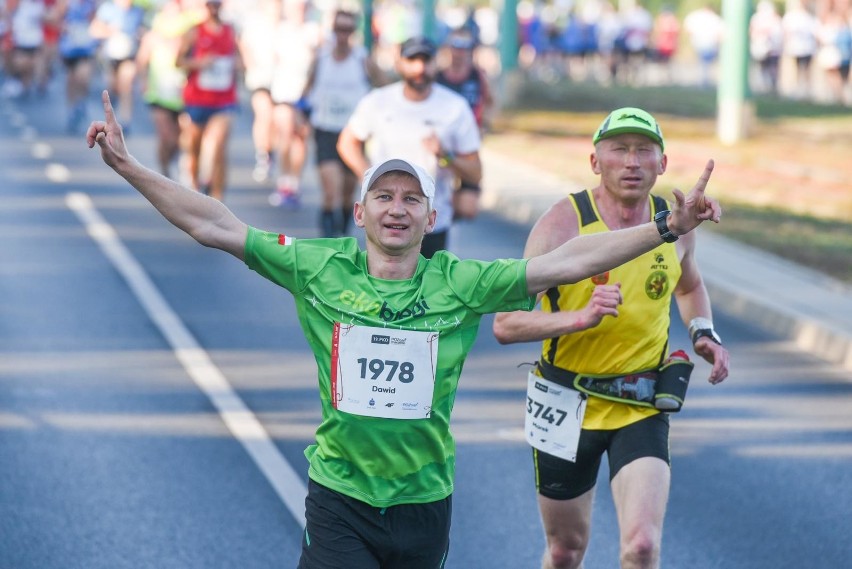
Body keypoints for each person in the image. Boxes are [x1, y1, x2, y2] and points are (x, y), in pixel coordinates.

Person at [87, 91, 721, 569]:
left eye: (410, 198)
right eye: (383, 197)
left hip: (424, 499)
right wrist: (129, 167)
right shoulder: (318, 266)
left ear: (430, 215)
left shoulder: (459, 281)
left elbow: (570, 261)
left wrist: (667, 228)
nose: (396, 209)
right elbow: (215, 225)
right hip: (339, 493)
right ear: (360, 212)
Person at [492, 108, 730, 569]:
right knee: (566, 551)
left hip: (640, 399)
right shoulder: (563, 224)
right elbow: (506, 324)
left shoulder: (674, 221)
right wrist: (576, 319)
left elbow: (689, 285)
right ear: (594, 160)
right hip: (565, 400)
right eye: (618, 149)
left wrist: (704, 332)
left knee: (641, 547)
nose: (632, 161)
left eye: (644, 150)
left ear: (662, 164)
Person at [337, 35, 481, 259]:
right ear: (400, 62)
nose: (420, 68)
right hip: (384, 218)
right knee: (383, 286)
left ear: (436, 63)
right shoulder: (378, 101)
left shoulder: (455, 107)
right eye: (412, 60)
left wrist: (445, 156)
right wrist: (368, 179)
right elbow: (347, 143)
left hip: (431, 220)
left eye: (426, 60)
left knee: (430, 291)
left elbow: (475, 171)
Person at [301, 8, 384, 237]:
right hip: (325, 130)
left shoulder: (362, 60)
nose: (343, 35)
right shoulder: (321, 59)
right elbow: (307, 89)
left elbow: (384, 88)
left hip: (354, 134)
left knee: (348, 193)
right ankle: (328, 242)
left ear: (353, 32)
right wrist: (302, 118)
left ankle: (343, 234)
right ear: (333, 30)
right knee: (331, 191)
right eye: (339, 29)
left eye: (348, 30)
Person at [175, 0, 243, 201]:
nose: (214, 7)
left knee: (217, 145)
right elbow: (178, 61)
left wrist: (237, 65)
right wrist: (200, 63)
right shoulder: (194, 32)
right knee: (194, 149)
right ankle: (195, 189)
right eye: (210, 3)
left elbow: (240, 59)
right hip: (197, 100)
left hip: (224, 100)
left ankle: (217, 197)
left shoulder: (231, 32)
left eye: (217, 3)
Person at [436, 27, 493, 221]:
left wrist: (485, 123)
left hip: (467, 146)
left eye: (465, 47)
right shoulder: (438, 77)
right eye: (455, 46)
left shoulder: (478, 77)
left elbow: (491, 102)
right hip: (443, 146)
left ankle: (450, 211)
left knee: (468, 208)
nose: (460, 52)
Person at [267, 0, 320, 209]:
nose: (300, 9)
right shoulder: (281, 31)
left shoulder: (314, 31)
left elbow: (317, 62)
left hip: (306, 95)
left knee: (301, 138)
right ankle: (283, 182)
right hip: (284, 93)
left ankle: (294, 183)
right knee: (286, 134)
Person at [88, 0, 146, 132]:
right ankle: (112, 108)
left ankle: (125, 120)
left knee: (127, 85)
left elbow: (143, 30)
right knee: (112, 86)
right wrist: (111, 31)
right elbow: (94, 30)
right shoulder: (107, 9)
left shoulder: (137, 11)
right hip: (110, 56)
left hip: (128, 55)